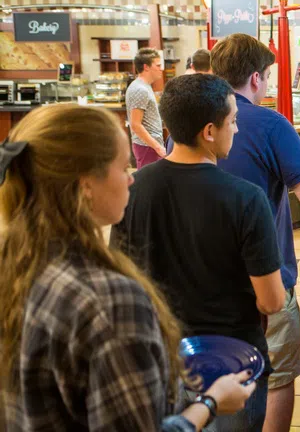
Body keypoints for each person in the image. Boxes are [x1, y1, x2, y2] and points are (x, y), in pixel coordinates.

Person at [0, 104, 256, 431]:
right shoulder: (109, 302)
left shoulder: (16, 261)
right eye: (123, 168)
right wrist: (210, 402)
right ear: (86, 184)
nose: (132, 179)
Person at [111, 74, 286, 431]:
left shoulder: (134, 187)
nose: (236, 130)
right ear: (209, 131)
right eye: (233, 121)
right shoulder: (247, 198)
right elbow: (271, 302)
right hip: (233, 362)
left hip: (159, 356)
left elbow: (120, 277)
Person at [207, 34, 300, 432]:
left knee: (216, 376)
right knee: (278, 373)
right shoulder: (271, 124)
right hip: (264, 280)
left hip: (205, 281)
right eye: (266, 77)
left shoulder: (189, 125)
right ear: (255, 77)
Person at [126, 47, 166, 168]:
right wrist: (157, 146)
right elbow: (136, 124)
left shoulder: (144, 86)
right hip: (147, 146)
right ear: (146, 67)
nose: (161, 69)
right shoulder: (140, 89)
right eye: (158, 66)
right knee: (148, 184)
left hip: (150, 144)